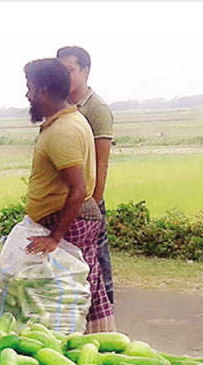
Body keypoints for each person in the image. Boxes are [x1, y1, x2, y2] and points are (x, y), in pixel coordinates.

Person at [22, 58, 115, 333]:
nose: (27, 95)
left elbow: (78, 190)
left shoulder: (62, 132)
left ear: (43, 90)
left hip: (68, 222)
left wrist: (54, 238)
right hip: (77, 219)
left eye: (30, 87)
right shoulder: (71, 119)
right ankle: (101, 342)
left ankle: (70, 343)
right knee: (87, 287)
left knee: (62, 295)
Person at [57, 45, 116, 312]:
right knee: (67, 262)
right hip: (64, 200)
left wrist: (94, 202)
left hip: (87, 201)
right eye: (60, 70)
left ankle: (105, 315)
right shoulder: (59, 105)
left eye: (69, 70)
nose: (64, 76)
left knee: (96, 261)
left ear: (86, 71)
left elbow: (101, 162)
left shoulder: (96, 109)